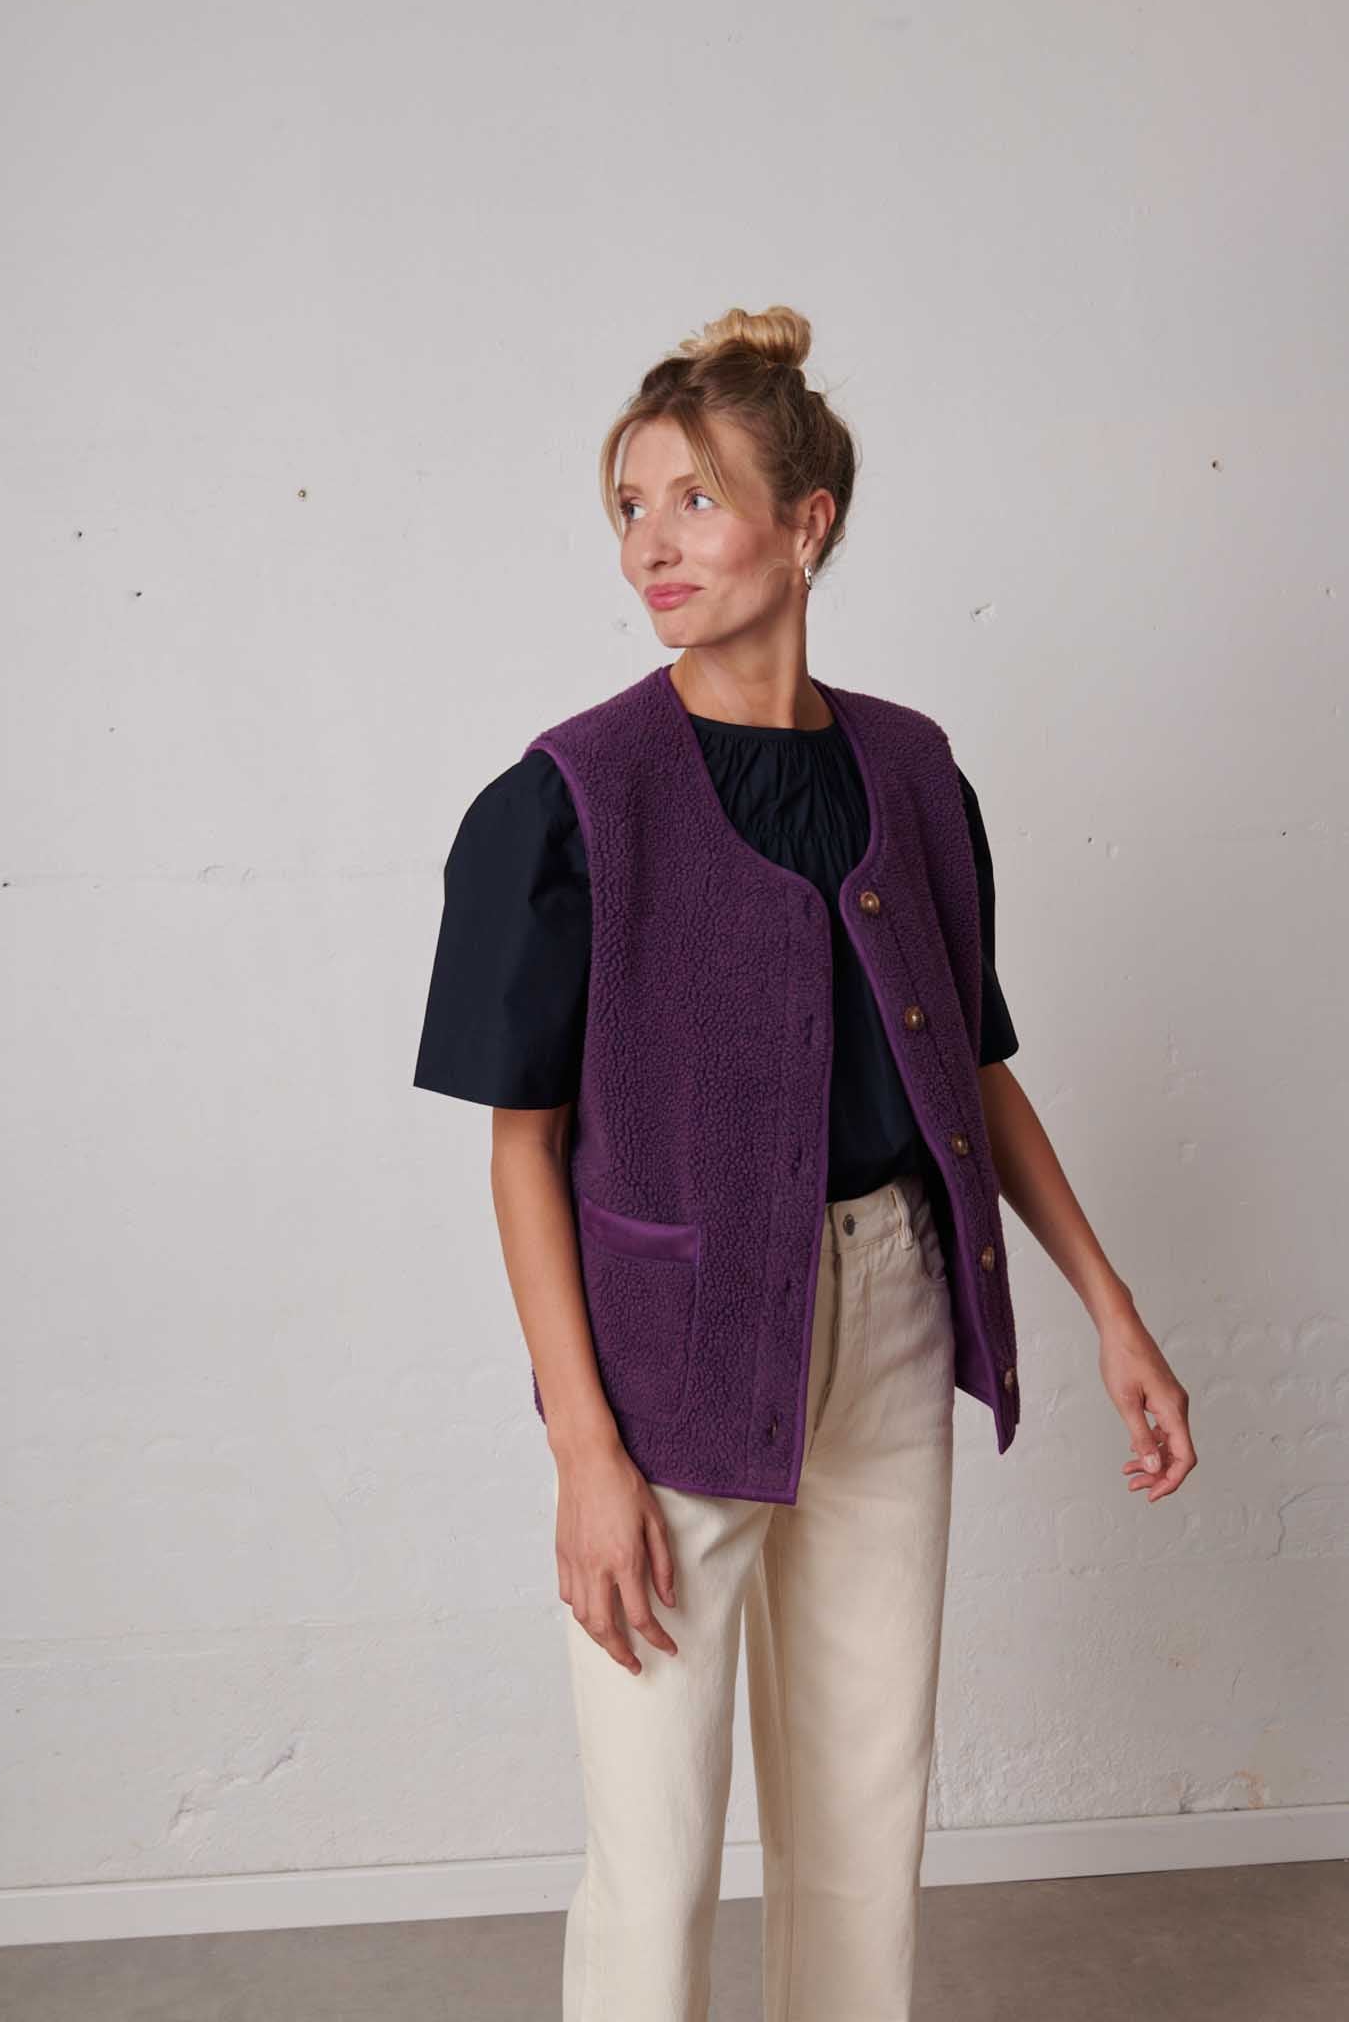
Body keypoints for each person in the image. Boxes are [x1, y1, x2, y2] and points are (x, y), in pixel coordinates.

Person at [413, 303, 1197, 2022]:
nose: (649, 544)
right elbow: (520, 1150)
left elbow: (968, 1064)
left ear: (806, 521)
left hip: (892, 1311)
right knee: (655, 1857)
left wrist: (1111, 1310)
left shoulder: (912, 773)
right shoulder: (561, 804)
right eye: (629, 506)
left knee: (860, 1818)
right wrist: (583, 1452)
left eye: (693, 501)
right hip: (667, 1365)